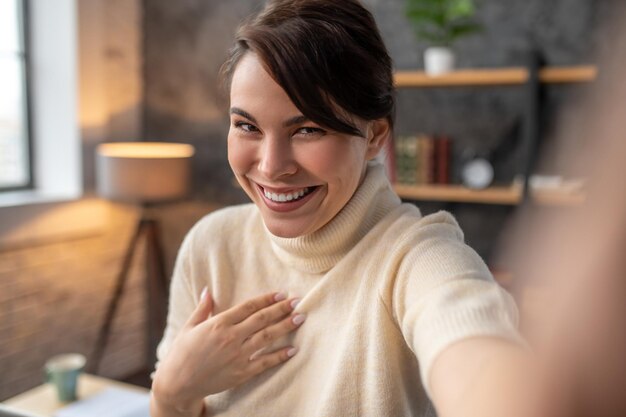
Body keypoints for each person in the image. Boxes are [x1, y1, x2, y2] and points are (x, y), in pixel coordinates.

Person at [149, 1, 525, 416]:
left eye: (308, 129)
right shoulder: (211, 245)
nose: (272, 166)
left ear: (376, 136)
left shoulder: (414, 258)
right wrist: (171, 393)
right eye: (247, 126)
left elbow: (469, 337)